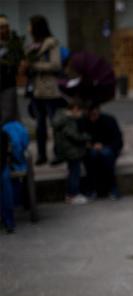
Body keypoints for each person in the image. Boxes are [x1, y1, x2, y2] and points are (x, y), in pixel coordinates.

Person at [21, 15, 65, 165]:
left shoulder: (51, 44)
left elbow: (56, 65)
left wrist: (34, 65)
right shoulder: (32, 45)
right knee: (40, 125)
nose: (28, 28)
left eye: (30, 25)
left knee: (55, 124)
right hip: (37, 91)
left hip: (51, 91)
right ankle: (41, 154)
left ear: (36, 27)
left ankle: (58, 153)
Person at [52, 99, 90, 205]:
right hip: (71, 150)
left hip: (67, 149)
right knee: (74, 173)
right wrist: (87, 137)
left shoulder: (61, 116)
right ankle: (73, 195)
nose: (81, 115)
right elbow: (74, 136)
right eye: (80, 112)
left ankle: (71, 194)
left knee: (72, 172)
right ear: (75, 109)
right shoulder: (67, 120)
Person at [81, 104, 123, 199]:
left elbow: (117, 140)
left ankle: (112, 188)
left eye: (95, 114)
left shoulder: (109, 120)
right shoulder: (84, 122)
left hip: (108, 147)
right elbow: (80, 139)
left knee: (106, 156)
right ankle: (92, 189)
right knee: (92, 157)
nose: (93, 118)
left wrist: (103, 145)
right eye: (90, 115)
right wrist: (91, 145)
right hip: (91, 149)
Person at [0, 15, 24, 126]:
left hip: (8, 83)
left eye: (6, 26)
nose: (4, 30)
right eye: (1, 27)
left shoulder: (14, 42)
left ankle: (7, 139)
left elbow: (21, 60)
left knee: (8, 115)